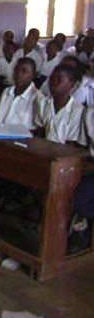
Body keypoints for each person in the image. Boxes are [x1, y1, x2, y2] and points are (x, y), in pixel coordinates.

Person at [34, 64, 86, 146]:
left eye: (59, 80)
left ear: (72, 85)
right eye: (51, 79)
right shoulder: (43, 102)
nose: (53, 83)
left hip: (63, 153)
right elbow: (40, 131)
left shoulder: (77, 110)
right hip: (44, 149)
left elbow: (71, 143)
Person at [68, 106, 94, 253]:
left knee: (79, 200)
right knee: (64, 189)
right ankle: (78, 224)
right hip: (90, 164)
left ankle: (82, 228)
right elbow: (83, 146)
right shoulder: (90, 113)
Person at [0, 57, 41, 129]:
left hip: (21, 139)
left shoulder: (37, 97)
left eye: (24, 71)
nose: (18, 74)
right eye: (16, 70)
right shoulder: (7, 91)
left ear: (33, 75)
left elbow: (37, 130)